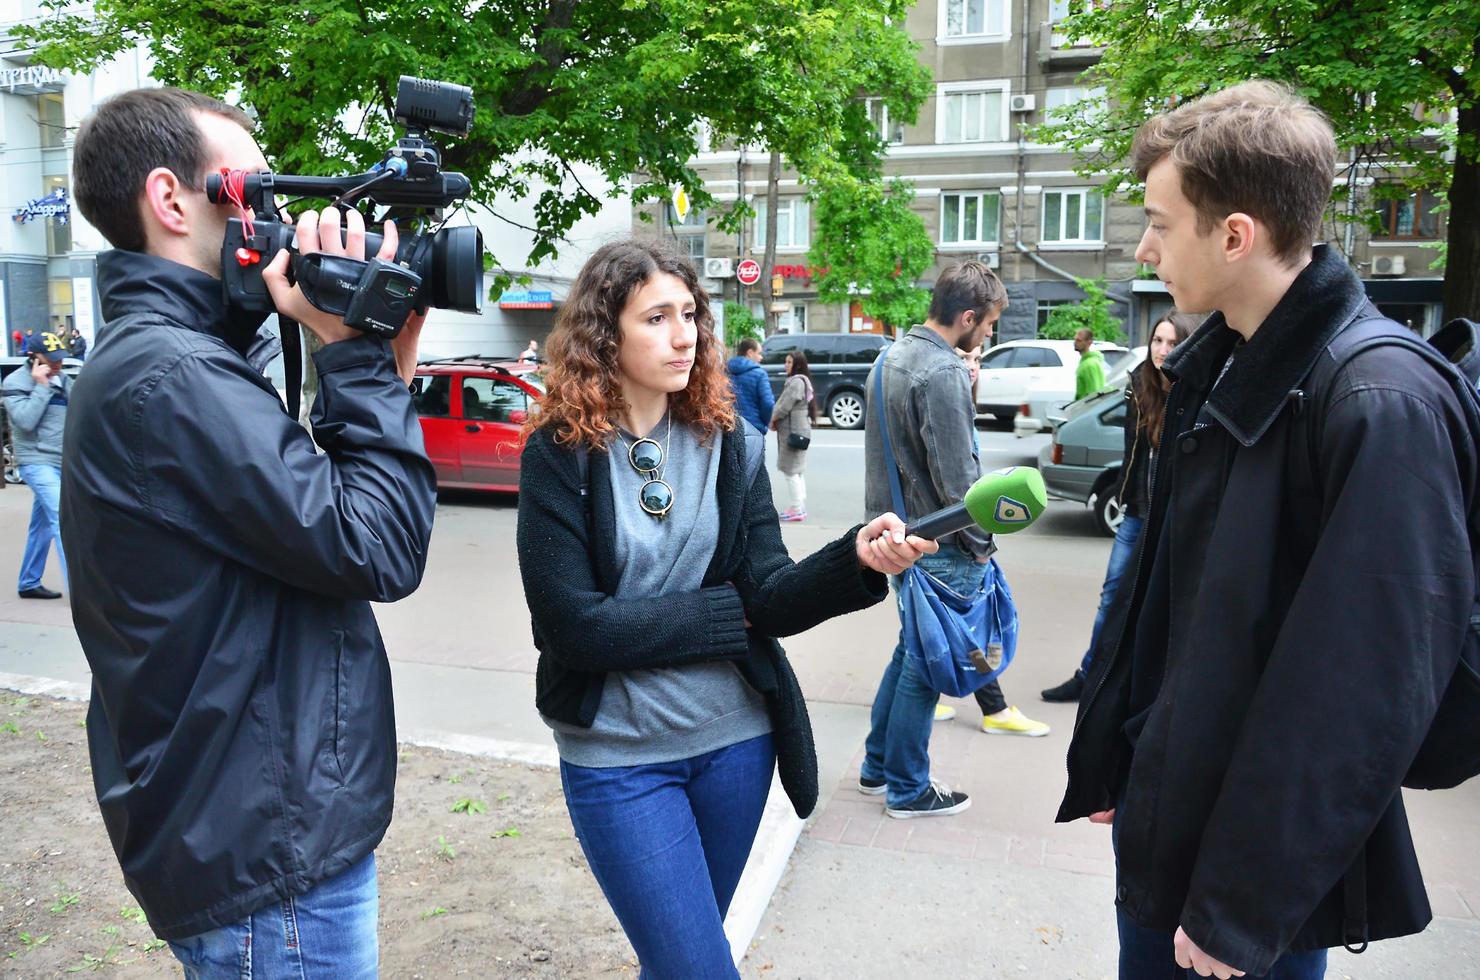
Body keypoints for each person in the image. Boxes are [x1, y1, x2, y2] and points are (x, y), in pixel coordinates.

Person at [1059, 80, 1477, 980]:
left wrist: (1242, 908)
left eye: (1162, 223)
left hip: (1237, 880)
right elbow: (1180, 605)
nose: (1145, 247)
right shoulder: (1226, 366)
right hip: (1179, 823)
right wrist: (1124, 757)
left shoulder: (1377, 398)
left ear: (1235, 235)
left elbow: (1358, 691)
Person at [59, 87, 436, 976]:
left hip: (252, 824)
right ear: (171, 198)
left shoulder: (182, 359)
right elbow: (375, 544)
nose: (272, 220)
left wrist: (376, 358)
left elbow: (306, 522)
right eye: (255, 193)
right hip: (264, 845)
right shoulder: (172, 373)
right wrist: (353, 358)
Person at [517, 238, 935, 978]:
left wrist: (856, 559)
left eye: (690, 314)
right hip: (621, 760)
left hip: (736, 748)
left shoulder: (731, 444)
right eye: (655, 318)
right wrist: (720, 615)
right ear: (603, 334)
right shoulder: (560, 453)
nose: (684, 335)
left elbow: (767, 595)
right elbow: (572, 627)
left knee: (678, 961)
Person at [861, 261, 1050, 821]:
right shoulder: (940, 371)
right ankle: (907, 788)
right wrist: (983, 543)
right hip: (940, 544)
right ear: (966, 317)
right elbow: (961, 485)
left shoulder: (889, 357)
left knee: (910, 652)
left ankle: (878, 768)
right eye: (988, 325)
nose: (988, 335)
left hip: (896, 535)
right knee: (927, 666)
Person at [1041, 311, 1197, 703]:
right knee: (1113, 596)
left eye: (1172, 343)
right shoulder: (1138, 386)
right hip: (1136, 513)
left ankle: (1145, 685)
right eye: (1157, 341)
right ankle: (1089, 676)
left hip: (1172, 518)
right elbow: (1135, 455)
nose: (1162, 350)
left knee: (1163, 603)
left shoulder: (1194, 388)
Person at [3, 331, 71, 599]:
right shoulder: (15, 382)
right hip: (35, 461)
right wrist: (42, 386)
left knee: (41, 525)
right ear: (33, 358)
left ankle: (28, 582)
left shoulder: (63, 380)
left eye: (60, 359)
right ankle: (81, 593)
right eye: (51, 360)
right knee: (62, 519)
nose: (57, 365)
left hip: (61, 460)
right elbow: (26, 421)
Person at [770, 350, 815, 522]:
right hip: (799, 429)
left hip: (793, 431)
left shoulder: (796, 382)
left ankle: (797, 508)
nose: (786, 365)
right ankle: (799, 506)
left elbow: (784, 406)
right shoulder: (802, 381)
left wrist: (773, 419)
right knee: (797, 470)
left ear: (797, 364)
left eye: (789, 362)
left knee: (790, 470)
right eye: (786, 362)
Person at [727, 336, 775, 434]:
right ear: (750, 353)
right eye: (759, 353)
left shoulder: (724, 371)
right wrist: (763, 423)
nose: (761, 357)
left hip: (729, 427)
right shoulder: (759, 374)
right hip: (753, 428)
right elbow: (768, 404)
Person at [1074, 327, 1106, 400]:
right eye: (1075, 339)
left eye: (1079, 340)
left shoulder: (1089, 364)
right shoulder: (1087, 362)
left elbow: (1093, 393)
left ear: (1089, 342)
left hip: (1085, 408)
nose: (1075, 342)